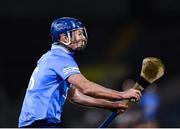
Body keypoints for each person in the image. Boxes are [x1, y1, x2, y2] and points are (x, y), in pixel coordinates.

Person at [18, 17, 141, 128]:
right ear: (64, 38)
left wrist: (109, 105)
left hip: (34, 123)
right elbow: (85, 88)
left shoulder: (51, 57)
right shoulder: (60, 58)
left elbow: (75, 96)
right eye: (78, 33)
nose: (83, 38)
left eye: (82, 33)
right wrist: (122, 95)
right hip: (41, 124)